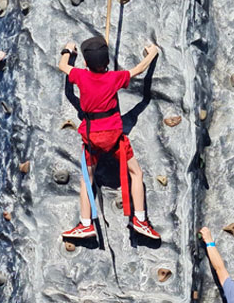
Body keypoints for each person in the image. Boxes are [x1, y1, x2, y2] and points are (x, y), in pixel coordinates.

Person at [57, 36, 160, 240]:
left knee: (87, 179)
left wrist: (68, 51)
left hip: (91, 137)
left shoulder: (80, 76)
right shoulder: (114, 77)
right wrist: (153, 53)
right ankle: (140, 218)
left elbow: (62, 67)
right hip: (113, 136)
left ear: (85, 63)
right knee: (136, 173)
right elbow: (138, 70)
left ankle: (86, 224)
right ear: (107, 62)